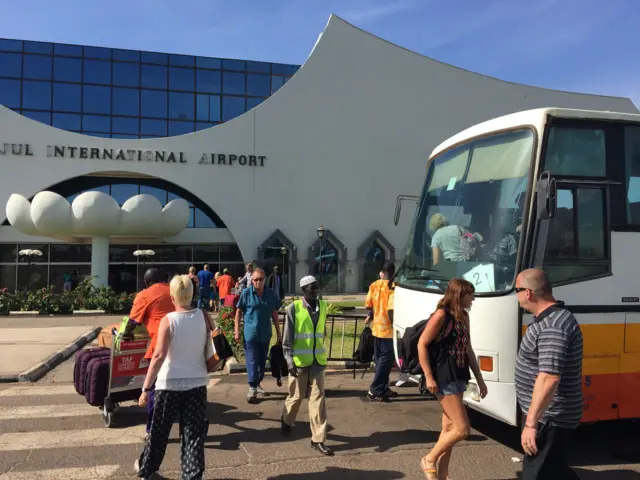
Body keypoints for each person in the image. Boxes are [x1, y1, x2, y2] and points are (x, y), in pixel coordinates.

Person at [134, 275, 211, 480]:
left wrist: (146, 388)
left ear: (172, 296)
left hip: (169, 384)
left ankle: (148, 471)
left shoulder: (169, 320)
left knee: (159, 432)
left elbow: (158, 356)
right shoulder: (203, 315)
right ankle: (192, 475)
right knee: (193, 435)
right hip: (197, 382)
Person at [515, 269, 583, 480]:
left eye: (516, 290)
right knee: (554, 470)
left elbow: (549, 378)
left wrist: (531, 424)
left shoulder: (553, 326)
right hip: (547, 414)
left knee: (538, 473)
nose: (515, 296)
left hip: (550, 416)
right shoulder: (549, 319)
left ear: (528, 293)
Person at [417, 278, 487, 480]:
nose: (473, 299)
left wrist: (480, 378)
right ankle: (429, 459)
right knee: (463, 429)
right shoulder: (441, 315)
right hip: (443, 375)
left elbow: (467, 349)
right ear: (459, 294)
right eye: (470, 295)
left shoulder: (464, 316)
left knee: (448, 429)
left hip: (459, 373)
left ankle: (443, 475)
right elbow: (422, 344)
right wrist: (428, 376)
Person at [281, 275, 333, 456]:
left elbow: (321, 332)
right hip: (299, 363)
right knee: (296, 397)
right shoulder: (293, 308)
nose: (316, 290)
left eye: (317, 286)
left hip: (318, 362)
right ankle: (286, 421)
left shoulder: (323, 306)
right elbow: (287, 339)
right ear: (304, 290)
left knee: (318, 400)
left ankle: (318, 439)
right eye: (312, 287)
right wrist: (289, 360)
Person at [122, 268, 175, 439]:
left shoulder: (144, 295)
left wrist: (126, 334)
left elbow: (133, 321)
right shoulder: (174, 291)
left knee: (154, 388)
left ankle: (152, 430)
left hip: (159, 347)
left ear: (147, 282)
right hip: (182, 344)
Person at [234, 267, 283, 403]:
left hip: (265, 333)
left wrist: (279, 334)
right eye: (255, 280)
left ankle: (257, 383)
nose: (258, 282)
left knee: (262, 360)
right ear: (252, 280)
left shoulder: (271, 294)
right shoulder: (246, 293)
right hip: (250, 334)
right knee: (252, 359)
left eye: (261, 279)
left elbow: (274, 313)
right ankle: (252, 386)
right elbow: (238, 312)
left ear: (264, 280)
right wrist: (236, 331)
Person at [365, 260, 398, 401]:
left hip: (376, 328)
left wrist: (371, 316)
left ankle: (383, 388)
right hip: (388, 330)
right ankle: (376, 389)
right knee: (386, 360)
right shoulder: (393, 287)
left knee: (380, 360)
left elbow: (369, 304)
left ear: (382, 273)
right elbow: (391, 309)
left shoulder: (374, 285)